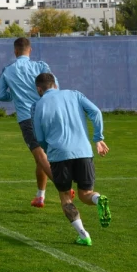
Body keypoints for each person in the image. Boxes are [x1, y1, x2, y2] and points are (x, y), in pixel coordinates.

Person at [32, 73, 111, 245]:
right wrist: (98, 137)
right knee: (86, 194)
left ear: (39, 89)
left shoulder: (38, 105)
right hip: (84, 151)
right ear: (55, 84)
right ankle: (98, 199)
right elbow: (96, 111)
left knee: (66, 197)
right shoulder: (74, 94)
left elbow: (39, 137)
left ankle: (84, 235)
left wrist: (49, 150)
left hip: (59, 154)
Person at [0, 37, 55, 207]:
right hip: (48, 114)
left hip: (27, 117)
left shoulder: (8, 70)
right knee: (42, 159)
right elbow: (54, 87)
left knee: (40, 156)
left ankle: (62, 186)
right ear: (30, 50)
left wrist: (14, 94)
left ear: (15, 51)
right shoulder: (42, 66)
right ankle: (40, 195)